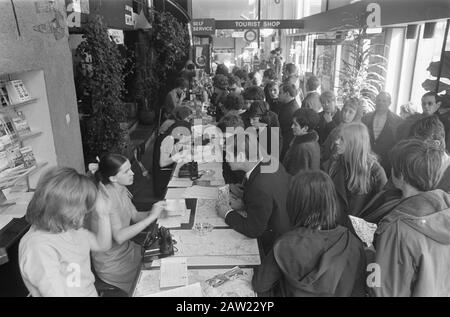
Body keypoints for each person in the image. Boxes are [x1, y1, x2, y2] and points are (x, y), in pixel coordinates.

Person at [252, 170, 366, 297]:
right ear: (332, 201)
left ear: (295, 203)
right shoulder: (354, 244)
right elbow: (358, 291)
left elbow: (259, 284)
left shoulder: (285, 244)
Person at [372, 139, 450, 296]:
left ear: (400, 174)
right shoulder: (445, 210)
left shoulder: (397, 229)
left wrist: (371, 257)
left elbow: (383, 290)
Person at [19, 167, 112, 297]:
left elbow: (101, 245)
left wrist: (104, 215)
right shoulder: (38, 246)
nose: (84, 214)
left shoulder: (69, 227)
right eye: (80, 210)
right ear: (60, 208)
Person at [91, 153, 166, 293]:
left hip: (129, 251)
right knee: (156, 279)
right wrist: (151, 218)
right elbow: (119, 237)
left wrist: (155, 211)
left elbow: (135, 215)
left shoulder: (120, 188)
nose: (132, 173)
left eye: (130, 169)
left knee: (163, 261)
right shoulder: (106, 199)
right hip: (113, 263)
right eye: (126, 171)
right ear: (113, 178)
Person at [217, 133, 291, 255]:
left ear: (240, 156)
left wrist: (227, 213)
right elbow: (268, 203)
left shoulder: (259, 185)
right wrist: (244, 205)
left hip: (275, 244)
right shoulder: (270, 161)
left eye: (228, 155)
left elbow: (253, 229)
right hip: (284, 222)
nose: (226, 159)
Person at [324, 122, 387, 221]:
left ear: (354, 143)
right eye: (338, 138)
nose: (336, 142)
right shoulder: (334, 163)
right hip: (333, 227)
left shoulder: (376, 172)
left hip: (357, 232)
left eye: (342, 139)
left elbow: (382, 208)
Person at [152, 106, 193, 198]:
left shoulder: (171, 136)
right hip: (163, 181)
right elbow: (162, 163)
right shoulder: (168, 139)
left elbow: (172, 151)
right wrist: (180, 154)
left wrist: (182, 145)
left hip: (165, 174)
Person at [362, 92, 403, 178]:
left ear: (389, 103)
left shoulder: (397, 121)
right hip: (366, 161)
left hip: (386, 163)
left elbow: (398, 144)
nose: (380, 103)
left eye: (384, 101)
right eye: (379, 100)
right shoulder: (366, 118)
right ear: (375, 101)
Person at [321, 97, 364, 163]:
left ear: (356, 115)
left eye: (350, 112)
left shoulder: (357, 134)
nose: (346, 114)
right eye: (345, 110)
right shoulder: (338, 128)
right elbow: (325, 147)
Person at [283, 108, 320, 175]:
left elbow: (298, 176)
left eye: (295, 124)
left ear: (305, 128)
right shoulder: (312, 141)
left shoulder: (302, 148)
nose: (292, 126)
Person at [278, 83, 301, 161]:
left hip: (285, 144)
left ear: (287, 93)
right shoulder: (288, 105)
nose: (278, 95)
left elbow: (281, 128)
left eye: (280, 93)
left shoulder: (290, 110)